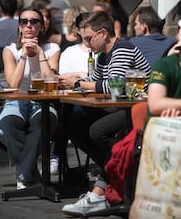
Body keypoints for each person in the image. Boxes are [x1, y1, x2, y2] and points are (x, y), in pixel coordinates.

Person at [60, 11, 151, 216]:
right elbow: (95, 80)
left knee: (97, 130)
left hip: (141, 109)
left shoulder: (122, 48)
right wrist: (77, 80)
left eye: (89, 38)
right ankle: (115, 174)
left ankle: (114, 179)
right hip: (123, 107)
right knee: (74, 125)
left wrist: (77, 82)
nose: (87, 44)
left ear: (103, 33)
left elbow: (114, 85)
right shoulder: (103, 55)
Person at [0, 8, 60, 189]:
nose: (29, 25)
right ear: (19, 26)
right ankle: (32, 172)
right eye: (24, 22)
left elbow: (52, 81)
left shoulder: (51, 48)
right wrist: (23, 55)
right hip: (16, 100)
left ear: (41, 26)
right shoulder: (10, 51)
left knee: (43, 120)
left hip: (43, 101)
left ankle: (24, 173)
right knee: (7, 124)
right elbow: (14, 84)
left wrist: (40, 54)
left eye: (34, 21)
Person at [58, 11, 94, 77]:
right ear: (78, 30)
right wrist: (79, 74)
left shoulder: (103, 51)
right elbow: (63, 77)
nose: (88, 30)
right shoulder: (68, 53)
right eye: (84, 27)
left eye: (91, 27)